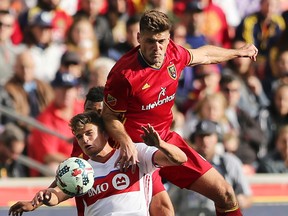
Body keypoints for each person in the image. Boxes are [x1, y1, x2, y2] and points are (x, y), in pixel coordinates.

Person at [102, 9, 258, 216]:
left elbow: (205, 54)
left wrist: (237, 52)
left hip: (166, 142)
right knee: (164, 211)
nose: (157, 48)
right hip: (135, 152)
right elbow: (109, 117)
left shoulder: (174, 54)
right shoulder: (123, 75)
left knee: (226, 194)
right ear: (138, 38)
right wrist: (126, 142)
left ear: (169, 38)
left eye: (162, 41)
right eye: (150, 41)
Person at [8, 111, 187, 216]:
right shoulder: (80, 170)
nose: (84, 140)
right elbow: (57, 196)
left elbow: (180, 159)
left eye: (88, 133)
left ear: (105, 133)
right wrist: (45, 198)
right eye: (79, 137)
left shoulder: (135, 152)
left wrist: (160, 144)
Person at [168, 120, 252, 216]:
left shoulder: (229, 162)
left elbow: (247, 197)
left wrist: (239, 201)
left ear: (217, 138)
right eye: (201, 136)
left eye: (209, 135)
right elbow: (171, 199)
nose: (205, 140)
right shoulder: (184, 163)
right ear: (194, 139)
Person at [28, 72, 84, 177]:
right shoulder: (45, 119)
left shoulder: (83, 108)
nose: (66, 93)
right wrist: (78, 162)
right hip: (66, 165)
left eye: (69, 89)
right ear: (54, 90)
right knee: (53, 167)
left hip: (86, 159)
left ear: (76, 90)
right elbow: (48, 156)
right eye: (62, 89)